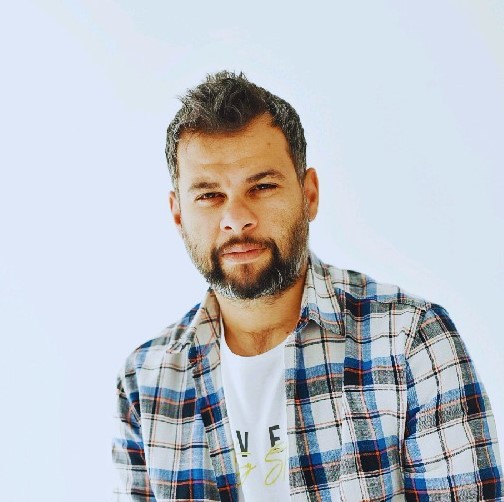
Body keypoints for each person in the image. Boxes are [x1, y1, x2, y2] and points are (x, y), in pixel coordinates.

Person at [112, 71, 502, 501]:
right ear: (178, 213)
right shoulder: (145, 382)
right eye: (209, 195)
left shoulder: (410, 340)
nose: (236, 219)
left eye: (262, 187)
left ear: (309, 194)